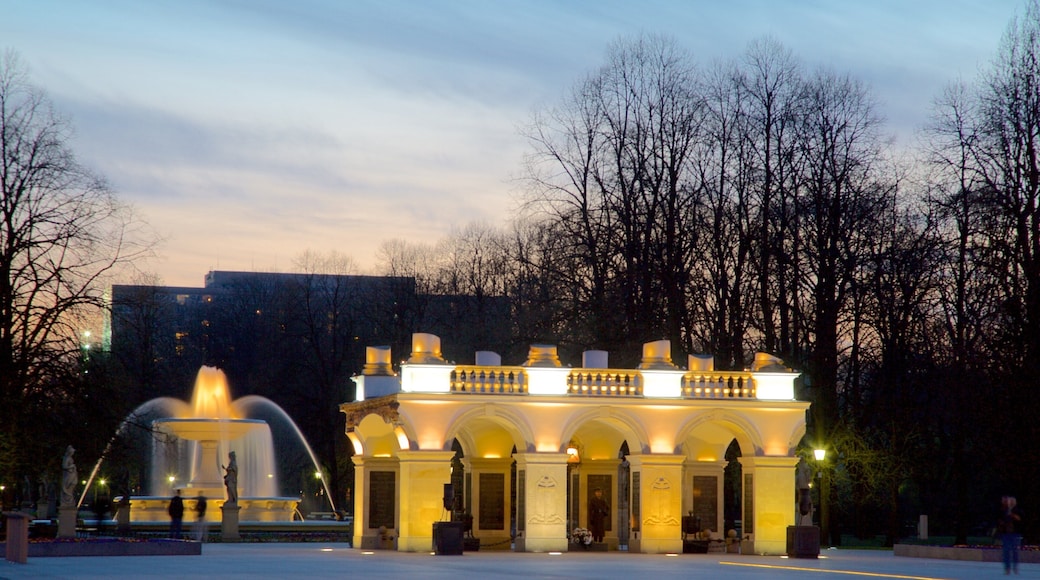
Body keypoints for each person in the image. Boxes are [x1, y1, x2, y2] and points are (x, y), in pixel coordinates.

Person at [997, 495, 1021, 575]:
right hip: (1006, 534)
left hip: (1015, 534)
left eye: (1012, 501)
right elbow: (999, 520)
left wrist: (1012, 515)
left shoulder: (1017, 510)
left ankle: (1015, 567)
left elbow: (1019, 519)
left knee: (1015, 551)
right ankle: (1007, 568)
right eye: (1009, 501)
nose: (1010, 503)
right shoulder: (1003, 510)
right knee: (1006, 552)